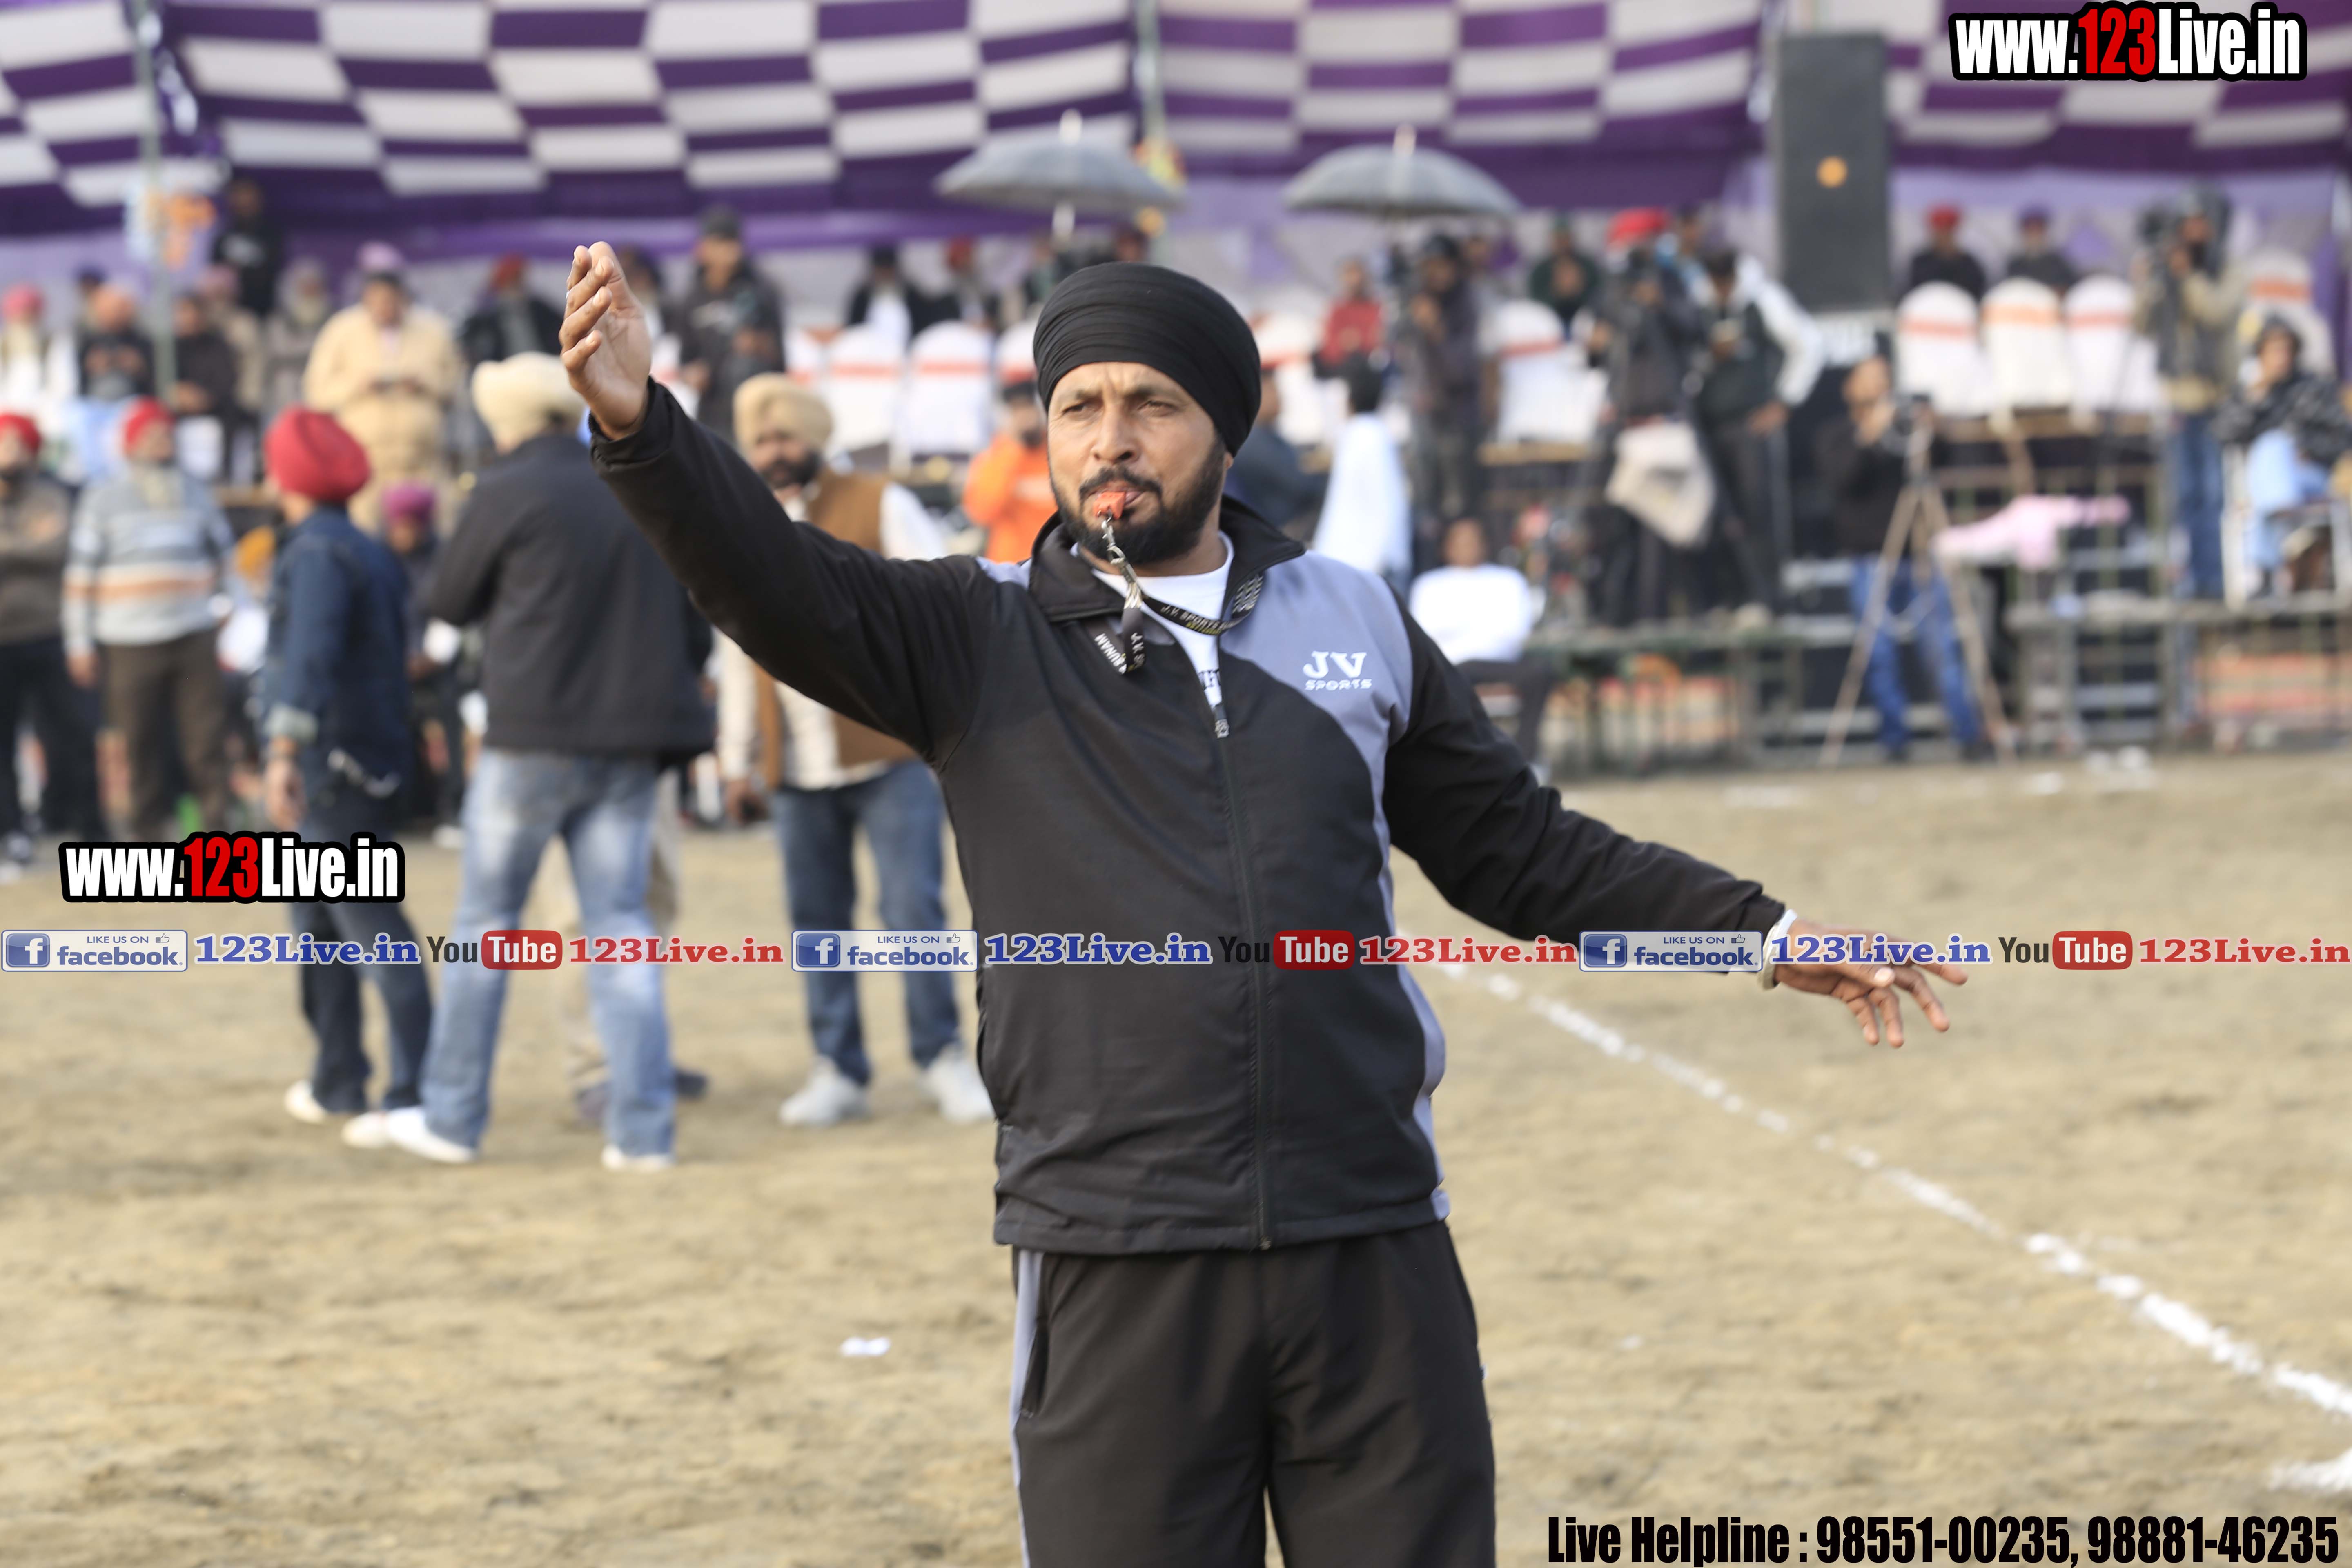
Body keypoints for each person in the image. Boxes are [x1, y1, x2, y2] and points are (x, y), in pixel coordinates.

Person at [561, 240, 1964, 1565]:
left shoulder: (1355, 619)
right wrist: (641, 426)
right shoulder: (972, 632)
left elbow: (1525, 854)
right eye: (1080, 406)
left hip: (1371, 1236)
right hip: (1117, 1246)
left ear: (1225, 432)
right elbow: (774, 579)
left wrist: (1763, 932)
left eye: (1152, 405)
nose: (1111, 437)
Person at [385, 353, 712, 1172]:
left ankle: (452, 1119)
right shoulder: (635, 483)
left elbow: (447, 599)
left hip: (530, 738)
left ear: (505, 423)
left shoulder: (504, 489)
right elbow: (695, 620)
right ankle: (643, 1133)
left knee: (485, 928)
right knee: (621, 931)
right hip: (630, 743)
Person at [714, 374, 991, 1128]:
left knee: (913, 911)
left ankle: (941, 1057)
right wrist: (736, 760)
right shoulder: (743, 526)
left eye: (784, 437)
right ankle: (838, 1067)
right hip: (796, 765)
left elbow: (940, 603)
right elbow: (733, 650)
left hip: (888, 748)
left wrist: (943, 719)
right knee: (817, 922)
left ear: (814, 438)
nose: (773, 452)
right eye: (760, 441)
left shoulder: (880, 501)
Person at [254, 407, 435, 1146]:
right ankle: (336, 1078)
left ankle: (413, 1094)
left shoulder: (316, 555)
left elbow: (311, 656)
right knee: (320, 928)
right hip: (364, 760)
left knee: (369, 930)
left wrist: (283, 752)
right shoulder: (363, 547)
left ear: (286, 475)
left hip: (331, 766)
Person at [63, 399, 236, 839]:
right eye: (151, 435)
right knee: (140, 744)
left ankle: (217, 835)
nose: (162, 442)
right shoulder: (103, 498)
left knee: (206, 740)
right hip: (128, 639)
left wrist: (229, 606)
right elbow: (80, 577)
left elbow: (226, 558)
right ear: (130, 444)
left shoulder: (195, 492)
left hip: (193, 633)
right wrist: (79, 642)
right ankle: (147, 837)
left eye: (166, 434)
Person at [1817, 355, 1984, 763]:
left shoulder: (1905, 431)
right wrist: (1870, 433)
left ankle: (1968, 735)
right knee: (1879, 655)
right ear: (1850, 387)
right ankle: (1895, 741)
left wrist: (1932, 429)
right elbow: (1844, 479)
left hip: (1919, 554)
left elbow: (1940, 462)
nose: (1879, 387)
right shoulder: (1837, 435)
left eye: (1884, 379)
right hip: (1870, 560)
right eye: (1869, 379)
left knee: (1943, 649)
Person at [1693, 245, 1824, 617]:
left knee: (1758, 511)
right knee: (1716, 515)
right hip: (1709, 425)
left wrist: (1784, 402)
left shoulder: (1763, 298)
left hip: (1751, 425)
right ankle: (1727, 599)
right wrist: (1708, 358)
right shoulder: (1697, 303)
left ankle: (1766, 599)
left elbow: (1809, 345)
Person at [301, 246, 463, 529]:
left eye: (391, 301)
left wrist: (424, 383)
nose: (385, 308)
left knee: (437, 534)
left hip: (422, 461)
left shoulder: (434, 330)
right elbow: (317, 392)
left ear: (404, 298)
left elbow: (457, 386)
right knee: (365, 534)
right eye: (377, 300)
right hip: (366, 463)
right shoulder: (342, 330)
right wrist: (359, 385)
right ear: (366, 299)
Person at [0, 412, 100, 864]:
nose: (10, 454)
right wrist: (29, 544)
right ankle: (12, 829)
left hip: (51, 632)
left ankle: (84, 823)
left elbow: (59, 547)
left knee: (73, 732)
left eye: (17, 444)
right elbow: (40, 548)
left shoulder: (53, 495)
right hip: (3, 640)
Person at [2132, 193, 2242, 599]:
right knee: (2183, 495)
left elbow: (2217, 312)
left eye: (2201, 223)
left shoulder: (2225, 268)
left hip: (2214, 398)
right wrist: (2148, 283)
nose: (2194, 232)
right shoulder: (2168, 272)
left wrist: (2188, 275)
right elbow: (2141, 325)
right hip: (2176, 400)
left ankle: (2214, 581)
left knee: (2213, 494)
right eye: (2188, 224)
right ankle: (2189, 581)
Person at [2212, 316, 2352, 595]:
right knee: (2271, 448)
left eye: (2286, 350)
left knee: (2274, 449)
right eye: (2274, 350)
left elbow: (2343, 437)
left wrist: (2306, 450)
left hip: (2310, 478)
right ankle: (2288, 526)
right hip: (2263, 484)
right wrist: (2256, 397)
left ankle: (2267, 571)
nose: (2281, 358)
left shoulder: (2313, 387)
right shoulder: (2250, 394)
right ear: (2260, 354)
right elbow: (2223, 434)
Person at [1409, 518, 1550, 767]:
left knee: (1540, 673)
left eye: (1473, 541)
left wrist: (1457, 624)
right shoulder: (1428, 585)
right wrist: (1482, 623)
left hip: (1500, 664)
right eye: (1461, 542)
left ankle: (1525, 757)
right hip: (1452, 666)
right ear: (1447, 547)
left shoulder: (1508, 580)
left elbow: (1516, 631)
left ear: (1485, 545)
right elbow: (1425, 634)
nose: (1468, 547)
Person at [1393, 234, 1488, 558]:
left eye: (1440, 266)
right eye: (1428, 266)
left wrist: (1436, 329)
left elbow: (1463, 370)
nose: (1434, 274)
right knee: (1425, 510)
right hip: (1425, 422)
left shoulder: (1466, 304)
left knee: (1460, 511)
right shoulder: (1416, 301)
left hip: (1458, 422)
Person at [677, 205, 784, 447]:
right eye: (719, 244)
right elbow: (684, 361)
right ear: (702, 250)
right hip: (711, 413)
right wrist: (692, 375)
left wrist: (758, 345)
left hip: (757, 413)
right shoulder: (691, 299)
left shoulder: (760, 292)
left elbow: (781, 360)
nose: (728, 252)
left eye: (731, 243)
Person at [1311, 359, 1411, 589]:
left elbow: (1384, 504)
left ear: (1350, 400)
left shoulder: (1364, 437)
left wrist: (1376, 562)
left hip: (1367, 567)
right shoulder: (1371, 434)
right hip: (1363, 565)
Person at [962, 379, 1056, 564]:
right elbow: (981, 512)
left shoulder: (1058, 450)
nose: (1024, 417)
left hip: (1056, 561)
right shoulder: (996, 456)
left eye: (1027, 407)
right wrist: (1013, 449)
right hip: (1011, 566)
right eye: (1016, 410)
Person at [1226, 367, 1324, 539]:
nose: (1279, 397)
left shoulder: (1268, 434)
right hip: (1283, 529)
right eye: (1272, 390)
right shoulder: (1254, 441)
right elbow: (1300, 485)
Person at [1, 285, 77, 453]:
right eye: (19, 311)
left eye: (29, 311)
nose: (24, 317)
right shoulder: (3, 344)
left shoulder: (55, 342)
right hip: (7, 414)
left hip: (46, 414)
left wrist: (36, 413)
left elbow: (64, 387)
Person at [262, 258, 334, 424]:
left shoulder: (334, 320)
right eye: (304, 285)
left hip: (321, 388)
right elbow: (274, 356)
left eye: (314, 285)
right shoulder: (278, 321)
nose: (309, 290)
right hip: (284, 391)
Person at [459, 254, 563, 365]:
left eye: (517, 278)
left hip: (541, 365)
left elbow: (562, 328)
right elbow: (469, 342)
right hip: (503, 370)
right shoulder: (486, 315)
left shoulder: (540, 309)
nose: (514, 283)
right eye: (510, 279)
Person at [210, 175, 285, 323]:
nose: (244, 201)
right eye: (239, 195)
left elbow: (275, 267)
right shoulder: (224, 235)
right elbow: (216, 273)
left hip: (265, 309)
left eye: (248, 195)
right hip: (229, 313)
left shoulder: (271, 234)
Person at [844, 243, 933, 351]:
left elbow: (925, 330)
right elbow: (853, 332)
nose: (885, 274)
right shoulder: (862, 298)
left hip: (910, 352)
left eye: (888, 269)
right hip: (869, 355)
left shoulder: (913, 295)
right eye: (881, 270)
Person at [1525, 220, 1600, 334]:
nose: (1562, 244)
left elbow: (1597, 297)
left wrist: (1576, 291)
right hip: (1548, 322)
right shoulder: (1541, 269)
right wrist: (1557, 292)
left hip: (1583, 320)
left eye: (1565, 238)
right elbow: (1535, 302)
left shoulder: (1587, 266)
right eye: (1558, 239)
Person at [1904, 205, 1989, 301]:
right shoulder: (1920, 264)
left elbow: (1978, 294)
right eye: (1940, 231)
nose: (1943, 236)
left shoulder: (1969, 265)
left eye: (1947, 230)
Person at [1319, 255, 1385, 372]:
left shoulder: (1377, 308)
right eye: (1350, 275)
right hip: (1345, 370)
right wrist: (1344, 343)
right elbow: (1329, 350)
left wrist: (1360, 341)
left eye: (1357, 274)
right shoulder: (1338, 311)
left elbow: (1381, 340)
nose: (1355, 280)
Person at [2005, 208, 2077, 295]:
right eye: (2030, 230)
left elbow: (2071, 290)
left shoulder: (2059, 263)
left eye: (2038, 230)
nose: (2034, 235)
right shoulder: (2015, 265)